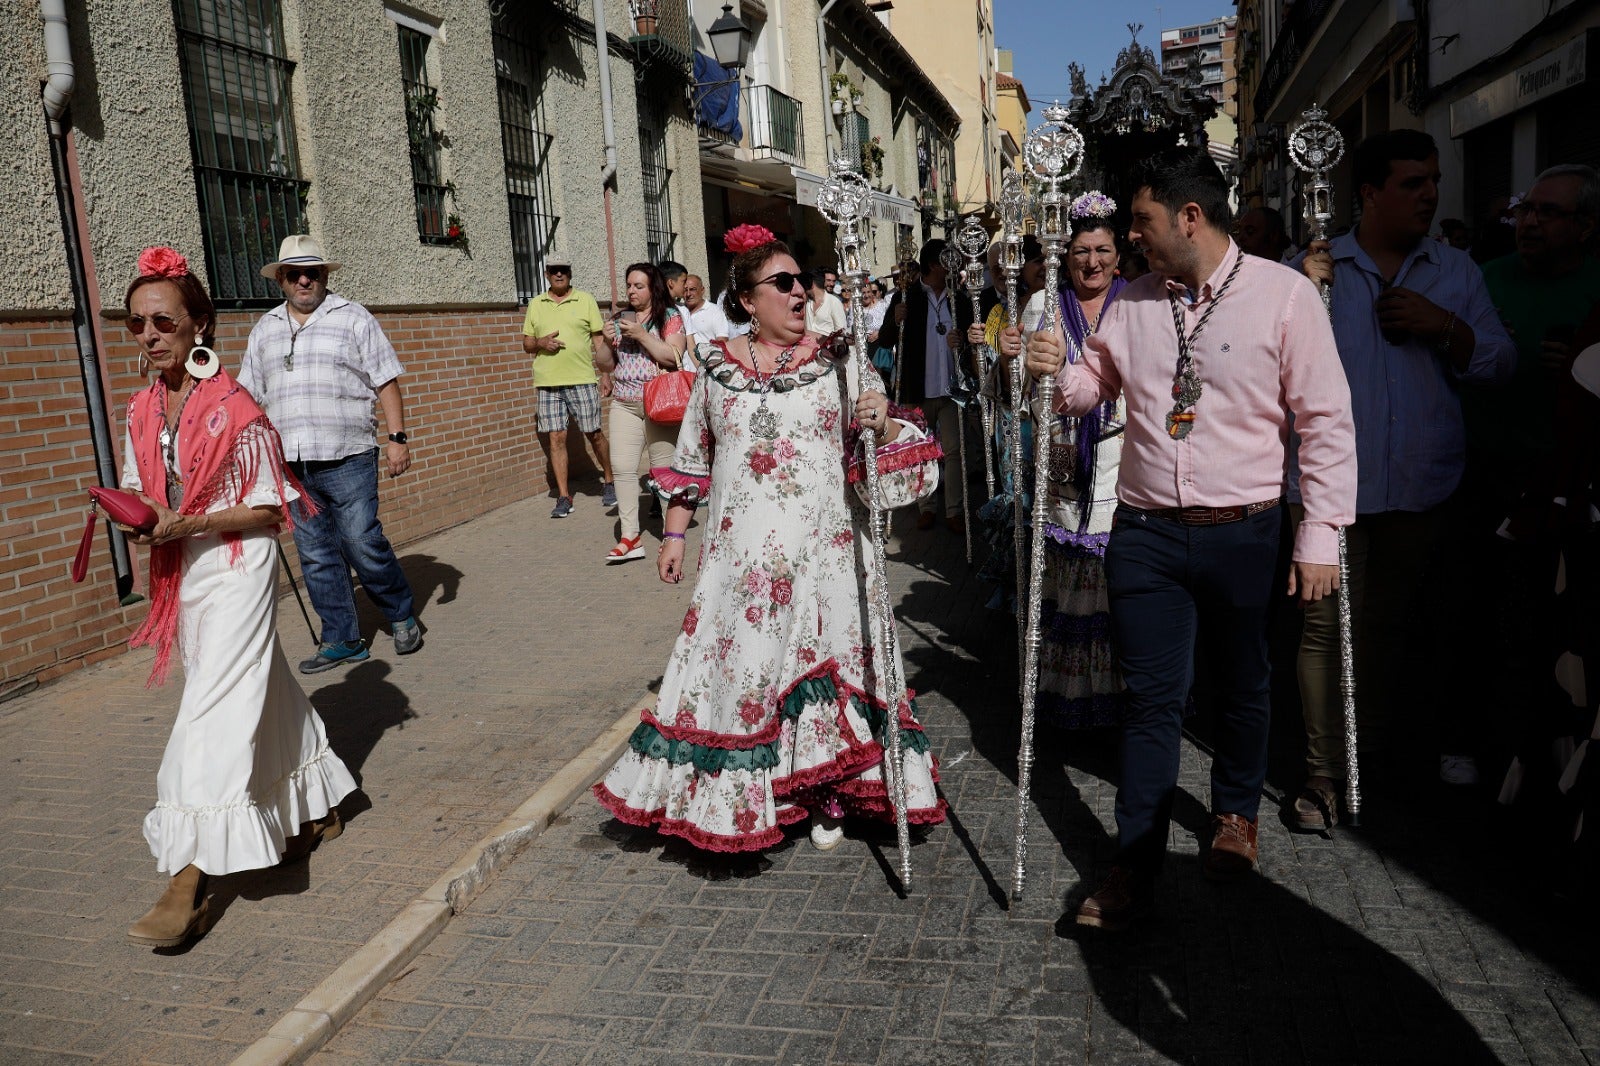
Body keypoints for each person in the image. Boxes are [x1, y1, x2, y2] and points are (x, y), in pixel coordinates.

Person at [1023, 148, 1355, 930]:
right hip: (1145, 533)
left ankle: (1236, 815)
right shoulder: (1134, 303)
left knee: (1243, 682)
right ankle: (1133, 859)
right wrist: (1052, 370)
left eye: (1140, 222)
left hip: (1247, 531)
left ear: (1189, 217)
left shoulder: (1284, 296)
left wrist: (1321, 533)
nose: (1131, 238)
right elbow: (1087, 391)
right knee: (1151, 700)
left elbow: (1326, 423)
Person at [593, 232, 945, 852]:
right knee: (747, 676)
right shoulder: (716, 367)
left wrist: (882, 422)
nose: (799, 292)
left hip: (827, 557)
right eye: (782, 283)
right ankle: (755, 796)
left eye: (802, 280)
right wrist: (674, 534)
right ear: (748, 300)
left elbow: (888, 463)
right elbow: (693, 458)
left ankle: (827, 793)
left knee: (825, 667)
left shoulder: (842, 362)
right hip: (741, 563)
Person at [115, 246, 357, 948]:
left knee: (213, 708)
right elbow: (143, 488)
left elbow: (268, 514)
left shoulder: (235, 406)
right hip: (183, 571)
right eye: (136, 325)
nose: (149, 335)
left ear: (200, 326)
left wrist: (184, 520)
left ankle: (187, 878)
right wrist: (134, 514)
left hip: (236, 565)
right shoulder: (141, 407)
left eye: (162, 321)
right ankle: (314, 808)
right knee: (258, 685)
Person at [1288, 130, 1515, 825]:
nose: (1430, 194)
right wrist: (1296, 294)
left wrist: (1445, 327)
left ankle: (1381, 757)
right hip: (1333, 493)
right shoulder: (1314, 270)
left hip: (1423, 488)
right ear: (1367, 194)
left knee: (1403, 630)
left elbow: (1500, 366)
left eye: (1434, 181)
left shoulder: (1456, 271)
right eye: (1412, 183)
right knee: (1326, 632)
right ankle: (1326, 776)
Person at [238, 235, 423, 674]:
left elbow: (386, 381)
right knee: (316, 553)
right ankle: (342, 638)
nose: (305, 280)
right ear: (281, 279)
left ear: (324, 276)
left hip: (348, 455)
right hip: (292, 463)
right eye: (294, 274)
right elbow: (247, 395)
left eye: (313, 272)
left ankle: (399, 612)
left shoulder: (352, 317)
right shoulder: (264, 329)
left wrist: (397, 437)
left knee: (361, 541)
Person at [996, 193, 1131, 729]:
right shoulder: (1039, 306)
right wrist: (1009, 362)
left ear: (1118, 255)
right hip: (1060, 466)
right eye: (1080, 251)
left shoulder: (1138, 305)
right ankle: (1066, 701)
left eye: (1102, 249)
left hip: (1125, 466)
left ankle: (1123, 705)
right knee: (1068, 590)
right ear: (1064, 255)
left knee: (1117, 591)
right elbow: (1011, 397)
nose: (1091, 262)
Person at [593, 262, 688, 563]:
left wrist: (642, 335)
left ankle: (670, 537)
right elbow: (606, 365)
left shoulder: (669, 317)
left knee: (662, 472)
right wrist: (607, 343)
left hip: (658, 403)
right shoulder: (620, 318)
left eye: (639, 286)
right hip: (624, 402)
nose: (632, 291)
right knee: (622, 468)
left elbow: (673, 357)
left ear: (653, 288)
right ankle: (630, 537)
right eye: (629, 286)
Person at [877, 239, 966, 533]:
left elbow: (971, 344)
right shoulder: (907, 296)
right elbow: (887, 340)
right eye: (946, 261)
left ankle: (954, 509)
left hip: (952, 391)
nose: (952, 266)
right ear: (931, 265)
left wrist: (962, 341)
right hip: (918, 390)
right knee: (920, 450)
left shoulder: (960, 298)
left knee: (954, 452)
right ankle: (926, 507)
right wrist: (895, 320)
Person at [522, 260, 617, 519]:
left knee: (594, 433)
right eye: (554, 270)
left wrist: (605, 374)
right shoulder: (536, 304)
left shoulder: (585, 300)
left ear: (570, 273)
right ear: (547, 274)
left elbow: (599, 340)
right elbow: (527, 343)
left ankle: (608, 480)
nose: (559, 274)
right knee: (556, 438)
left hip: (582, 378)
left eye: (563, 269)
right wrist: (540, 342)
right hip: (548, 382)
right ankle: (564, 497)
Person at [683, 273, 730, 345]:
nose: (688, 294)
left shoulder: (714, 311)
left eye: (692, 289)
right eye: (685, 290)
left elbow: (722, 342)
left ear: (702, 290)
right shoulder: (679, 312)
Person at [804, 270, 848, 336]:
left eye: (834, 281)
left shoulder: (834, 302)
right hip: (808, 345)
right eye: (828, 280)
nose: (832, 284)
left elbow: (841, 330)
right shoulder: (806, 302)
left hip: (828, 345)